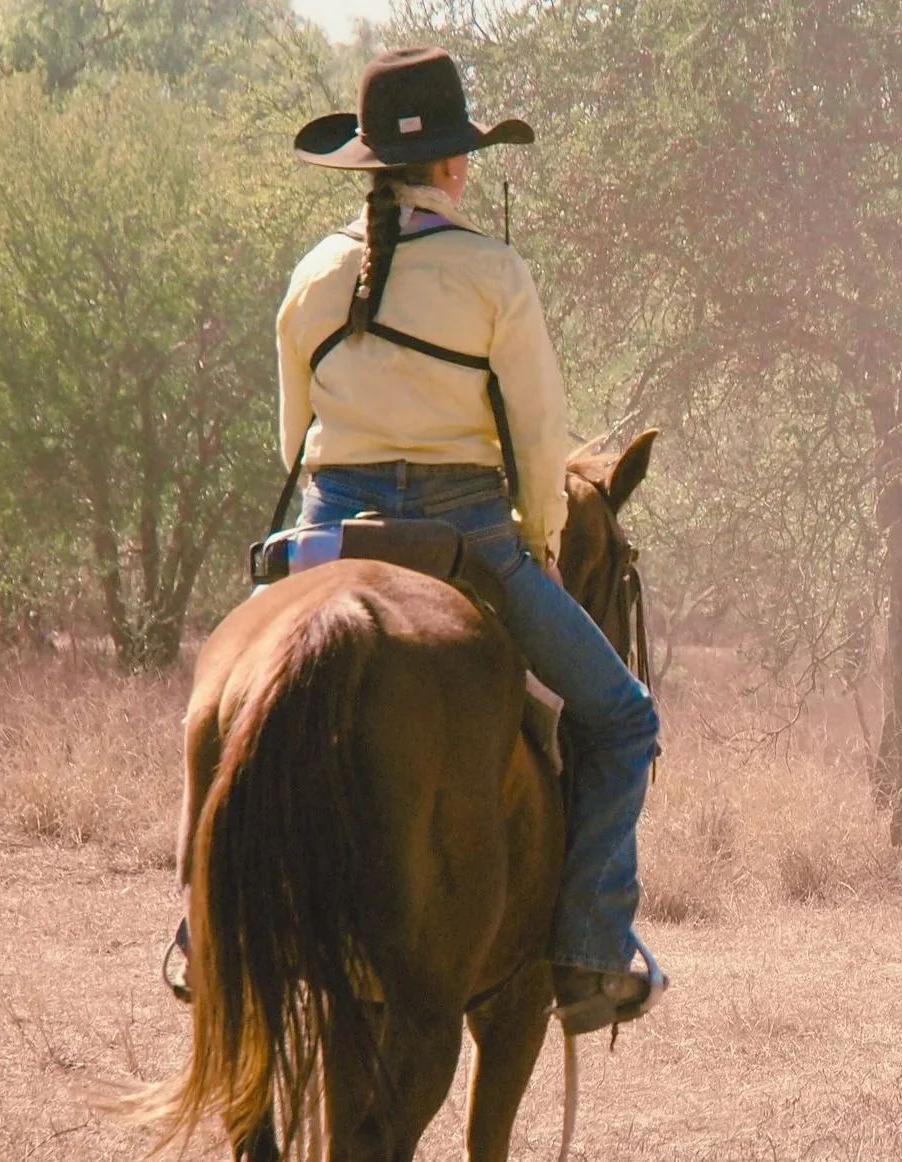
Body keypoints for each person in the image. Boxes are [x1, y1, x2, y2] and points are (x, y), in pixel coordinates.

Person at [239, 46, 661, 1035]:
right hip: (464, 531)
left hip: (324, 530)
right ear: (457, 165)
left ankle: (195, 928)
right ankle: (592, 947)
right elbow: (539, 434)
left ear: (367, 164)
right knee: (623, 718)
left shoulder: (309, 276)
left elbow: (291, 437)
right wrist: (542, 541)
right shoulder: (491, 271)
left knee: (232, 716)